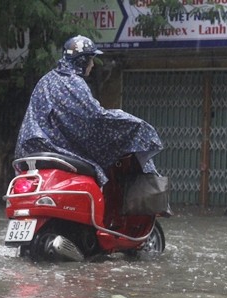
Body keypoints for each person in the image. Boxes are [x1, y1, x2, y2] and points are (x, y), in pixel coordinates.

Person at [13, 35, 163, 186]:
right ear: (82, 60)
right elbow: (94, 118)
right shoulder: (73, 83)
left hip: (32, 148)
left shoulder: (46, 80)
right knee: (100, 167)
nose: (92, 65)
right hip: (57, 149)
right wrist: (129, 121)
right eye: (90, 60)